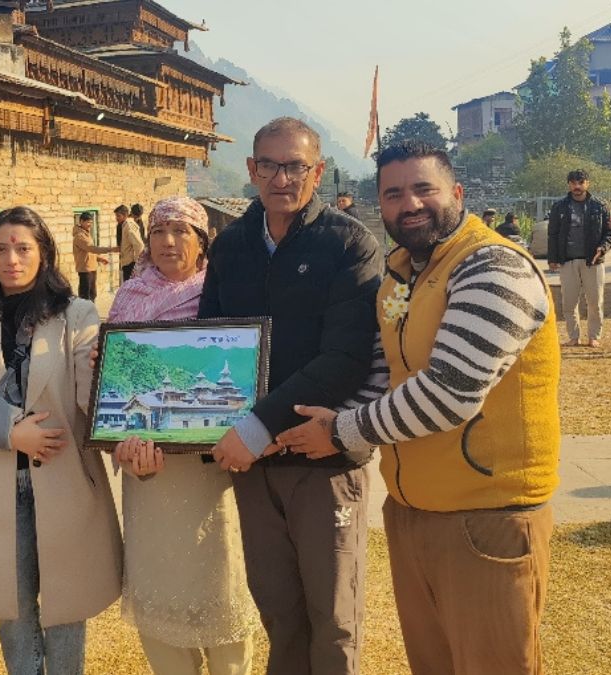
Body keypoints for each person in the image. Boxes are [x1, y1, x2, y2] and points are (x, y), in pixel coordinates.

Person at [278, 142, 560, 675]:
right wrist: (300, 425)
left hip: (486, 515)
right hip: (414, 512)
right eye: (393, 193)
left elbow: (450, 390)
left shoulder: (491, 266)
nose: (409, 204)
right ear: (379, 206)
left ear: (456, 193)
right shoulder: (405, 274)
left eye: (423, 189)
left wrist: (340, 431)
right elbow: (390, 375)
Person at [199, 116, 383, 675]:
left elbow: (345, 359)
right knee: (279, 610)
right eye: (271, 166)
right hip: (254, 467)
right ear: (252, 171)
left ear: (318, 171)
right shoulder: (230, 246)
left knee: (332, 618)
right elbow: (213, 340)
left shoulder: (349, 244)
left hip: (320, 455)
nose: (283, 178)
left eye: (296, 166)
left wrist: (256, 428)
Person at [0, 206, 121, 674]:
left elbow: (85, 396)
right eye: (0, 248)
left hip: (63, 479)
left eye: (22, 248)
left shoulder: (76, 314)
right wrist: (10, 430)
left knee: (65, 605)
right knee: (13, 610)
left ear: (44, 253)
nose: (10, 259)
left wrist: (102, 370)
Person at [108, 195, 260, 675]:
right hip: (147, 472)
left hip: (214, 472)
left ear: (202, 241)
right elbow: (112, 389)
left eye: (182, 232)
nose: (169, 242)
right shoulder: (128, 298)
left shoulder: (225, 293)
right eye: (159, 232)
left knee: (222, 581)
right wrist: (102, 374)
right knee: (159, 587)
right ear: (146, 240)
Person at [547, 169, 611, 348]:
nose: (577, 187)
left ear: (587, 183)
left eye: (581, 182)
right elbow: (552, 234)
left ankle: (594, 336)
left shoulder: (600, 206)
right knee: (569, 302)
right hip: (567, 260)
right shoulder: (559, 207)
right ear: (569, 184)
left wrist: (603, 248)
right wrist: (552, 258)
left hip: (593, 260)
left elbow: (609, 232)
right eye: (574, 183)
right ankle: (573, 336)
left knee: (594, 301)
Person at [72, 211, 116, 300]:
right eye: (88, 222)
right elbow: (91, 248)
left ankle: (90, 312)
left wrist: (99, 259)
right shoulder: (80, 236)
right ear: (81, 221)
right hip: (85, 269)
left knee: (92, 294)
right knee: (86, 295)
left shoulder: (86, 234)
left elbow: (89, 253)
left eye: (91, 222)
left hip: (92, 268)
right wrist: (110, 249)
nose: (90, 224)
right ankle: (85, 313)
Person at [115, 204, 145, 281]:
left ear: (125, 215)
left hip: (131, 263)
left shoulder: (129, 225)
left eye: (118, 216)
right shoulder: (122, 225)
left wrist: (138, 262)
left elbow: (139, 244)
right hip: (126, 260)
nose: (116, 218)